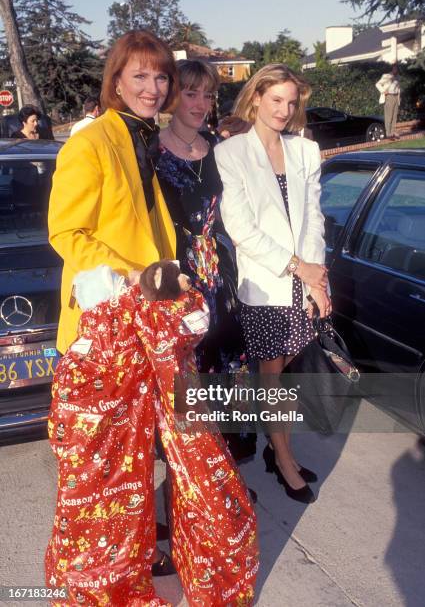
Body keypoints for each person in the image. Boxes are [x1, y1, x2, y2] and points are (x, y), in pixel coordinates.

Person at [48, 29, 179, 575]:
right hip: (103, 326)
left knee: (135, 448)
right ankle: (105, 562)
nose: (152, 87)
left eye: (160, 75)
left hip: (144, 322)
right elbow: (66, 231)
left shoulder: (144, 137)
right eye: (140, 76)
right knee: (105, 456)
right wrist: (137, 276)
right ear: (117, 81)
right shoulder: (91, 141)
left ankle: (134, 547)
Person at [215, 63, 331, 504]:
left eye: (291, 102)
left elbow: (315, 218)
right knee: (272, 377)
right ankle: (283, 459)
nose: (284, 110)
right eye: (276, 100)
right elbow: (241, 228)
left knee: (285, 374)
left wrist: (316, 278)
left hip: (303, 282)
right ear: (257, 97)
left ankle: (276, 449)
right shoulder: (231, 153)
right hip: (266, 284)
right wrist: (297, 267)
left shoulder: (305, 150)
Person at [155, 59, 257, 463]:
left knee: (229, 366)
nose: (200, 103)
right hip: (179, 277)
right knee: (187, 374)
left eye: (208, 94)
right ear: (172, 97)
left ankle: (223, 470)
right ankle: (192, 480)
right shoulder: (151, 151)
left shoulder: (218, 147)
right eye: (191, 93)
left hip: (220, 272)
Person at [376, 64, 401, 139]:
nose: (395, 70)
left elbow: (398, 87)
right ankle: (388, 133)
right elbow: (377, 84)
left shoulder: (398, 77)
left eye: (397, 69)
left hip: (396, 97)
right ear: (392, 69)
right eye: (394, 68)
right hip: (389, 96)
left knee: (394, 116)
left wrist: (399, 97)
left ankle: (393, 132)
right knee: (388, 116)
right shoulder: (386, 76)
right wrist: (383, 91)